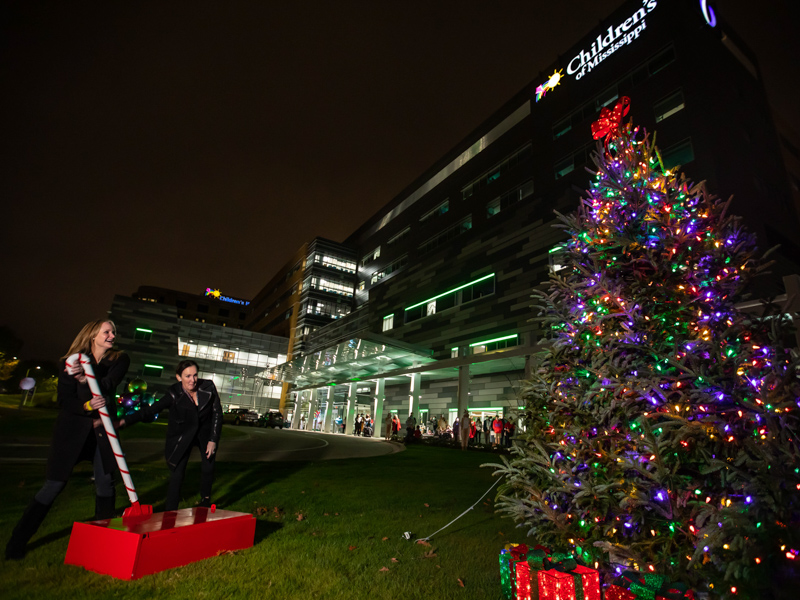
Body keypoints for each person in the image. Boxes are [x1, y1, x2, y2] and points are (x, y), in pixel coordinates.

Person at [6, 319, 130, 560]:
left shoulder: (119, 359)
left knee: (105, 484)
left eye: (113, 331)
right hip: (71, 432)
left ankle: (101, 542)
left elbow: (107, 384)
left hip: (101, 433)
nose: (112, 335)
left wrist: (85, 379)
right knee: (54, 485)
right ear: (93, 335)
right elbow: (64, 400)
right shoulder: (68, 362)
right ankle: (16, 542)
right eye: (107, 331)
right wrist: (85, 404)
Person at [122, 359, 222, 510]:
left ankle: (205, 501)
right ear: (178, 377)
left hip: (205, 435)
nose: (192, 380)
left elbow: (217, 413)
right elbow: (151, 410)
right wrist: (124, 421)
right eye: (187, 376)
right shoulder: (173, 393)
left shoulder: (208, 387)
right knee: (177, 473)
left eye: (195, 375)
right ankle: (170, 510)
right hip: (182, 436)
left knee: (208, 468)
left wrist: (213, 439)